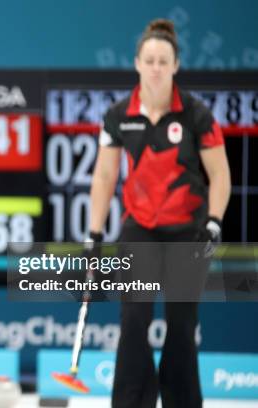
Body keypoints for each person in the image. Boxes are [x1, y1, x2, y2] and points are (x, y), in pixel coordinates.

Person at [89, 19, 231, 408]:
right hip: (140, 230)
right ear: (137, 63)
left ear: (175, 65)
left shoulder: (197, 115)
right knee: (133, 322)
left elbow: (220, 175)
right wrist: (94, 233)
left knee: (182, 326)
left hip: (189, 231)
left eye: (162, 60)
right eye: (149, 60)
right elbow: (103, 176)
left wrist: (214, 222)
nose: (155, 67)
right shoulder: (119, 115)